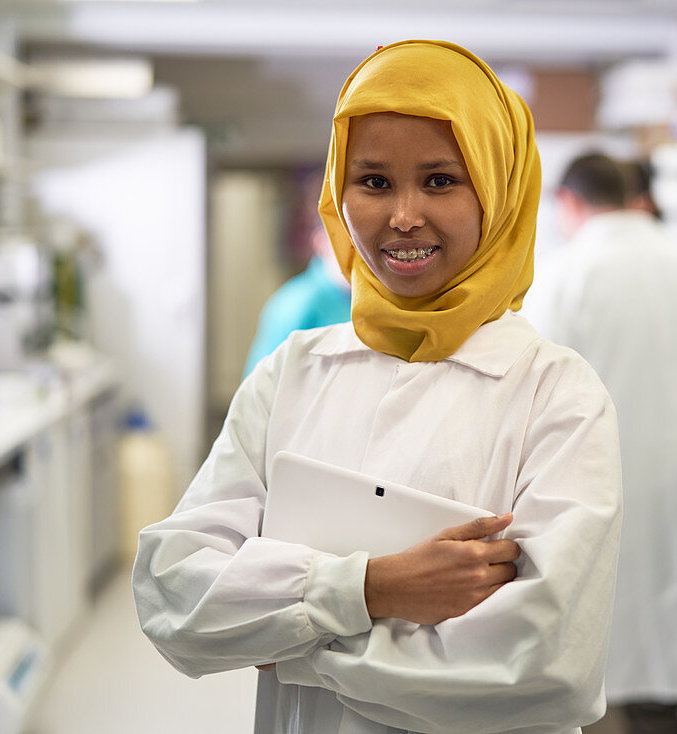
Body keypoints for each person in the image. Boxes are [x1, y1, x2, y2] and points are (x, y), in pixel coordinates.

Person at [132, 40, 622, 734]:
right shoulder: (293, 372)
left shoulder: (556, 395)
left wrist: (292, 639)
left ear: (501, 189)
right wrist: (370, 589)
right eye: (373, 181)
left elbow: (541, 671)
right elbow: (172, 595)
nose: (402, 216)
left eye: (441, 181)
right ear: (338, 192)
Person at [521, 153, 677, 734]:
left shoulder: (560, 278)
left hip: (599, 518)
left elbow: (524, 418)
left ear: (568, 203)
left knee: (607, 678)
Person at [243, 222, 351, 377]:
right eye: (347, 241)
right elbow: (260, 380)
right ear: (320, 242)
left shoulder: (357, 298)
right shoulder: (298, 302)